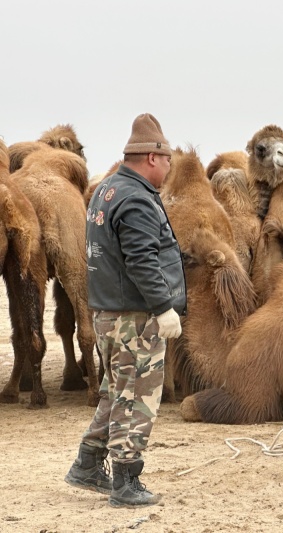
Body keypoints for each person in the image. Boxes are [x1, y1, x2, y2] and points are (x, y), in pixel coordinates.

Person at [64, 113, 186, 507]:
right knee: (136, 397)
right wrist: (164, 307)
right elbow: (141, 260)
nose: (169, 169)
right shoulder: (136, 199)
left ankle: (87, 463)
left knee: (115, 392)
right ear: (152, 156)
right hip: (134, 317)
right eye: (167, 160)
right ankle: (125, 481)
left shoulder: (108, 190)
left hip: (109, 313)